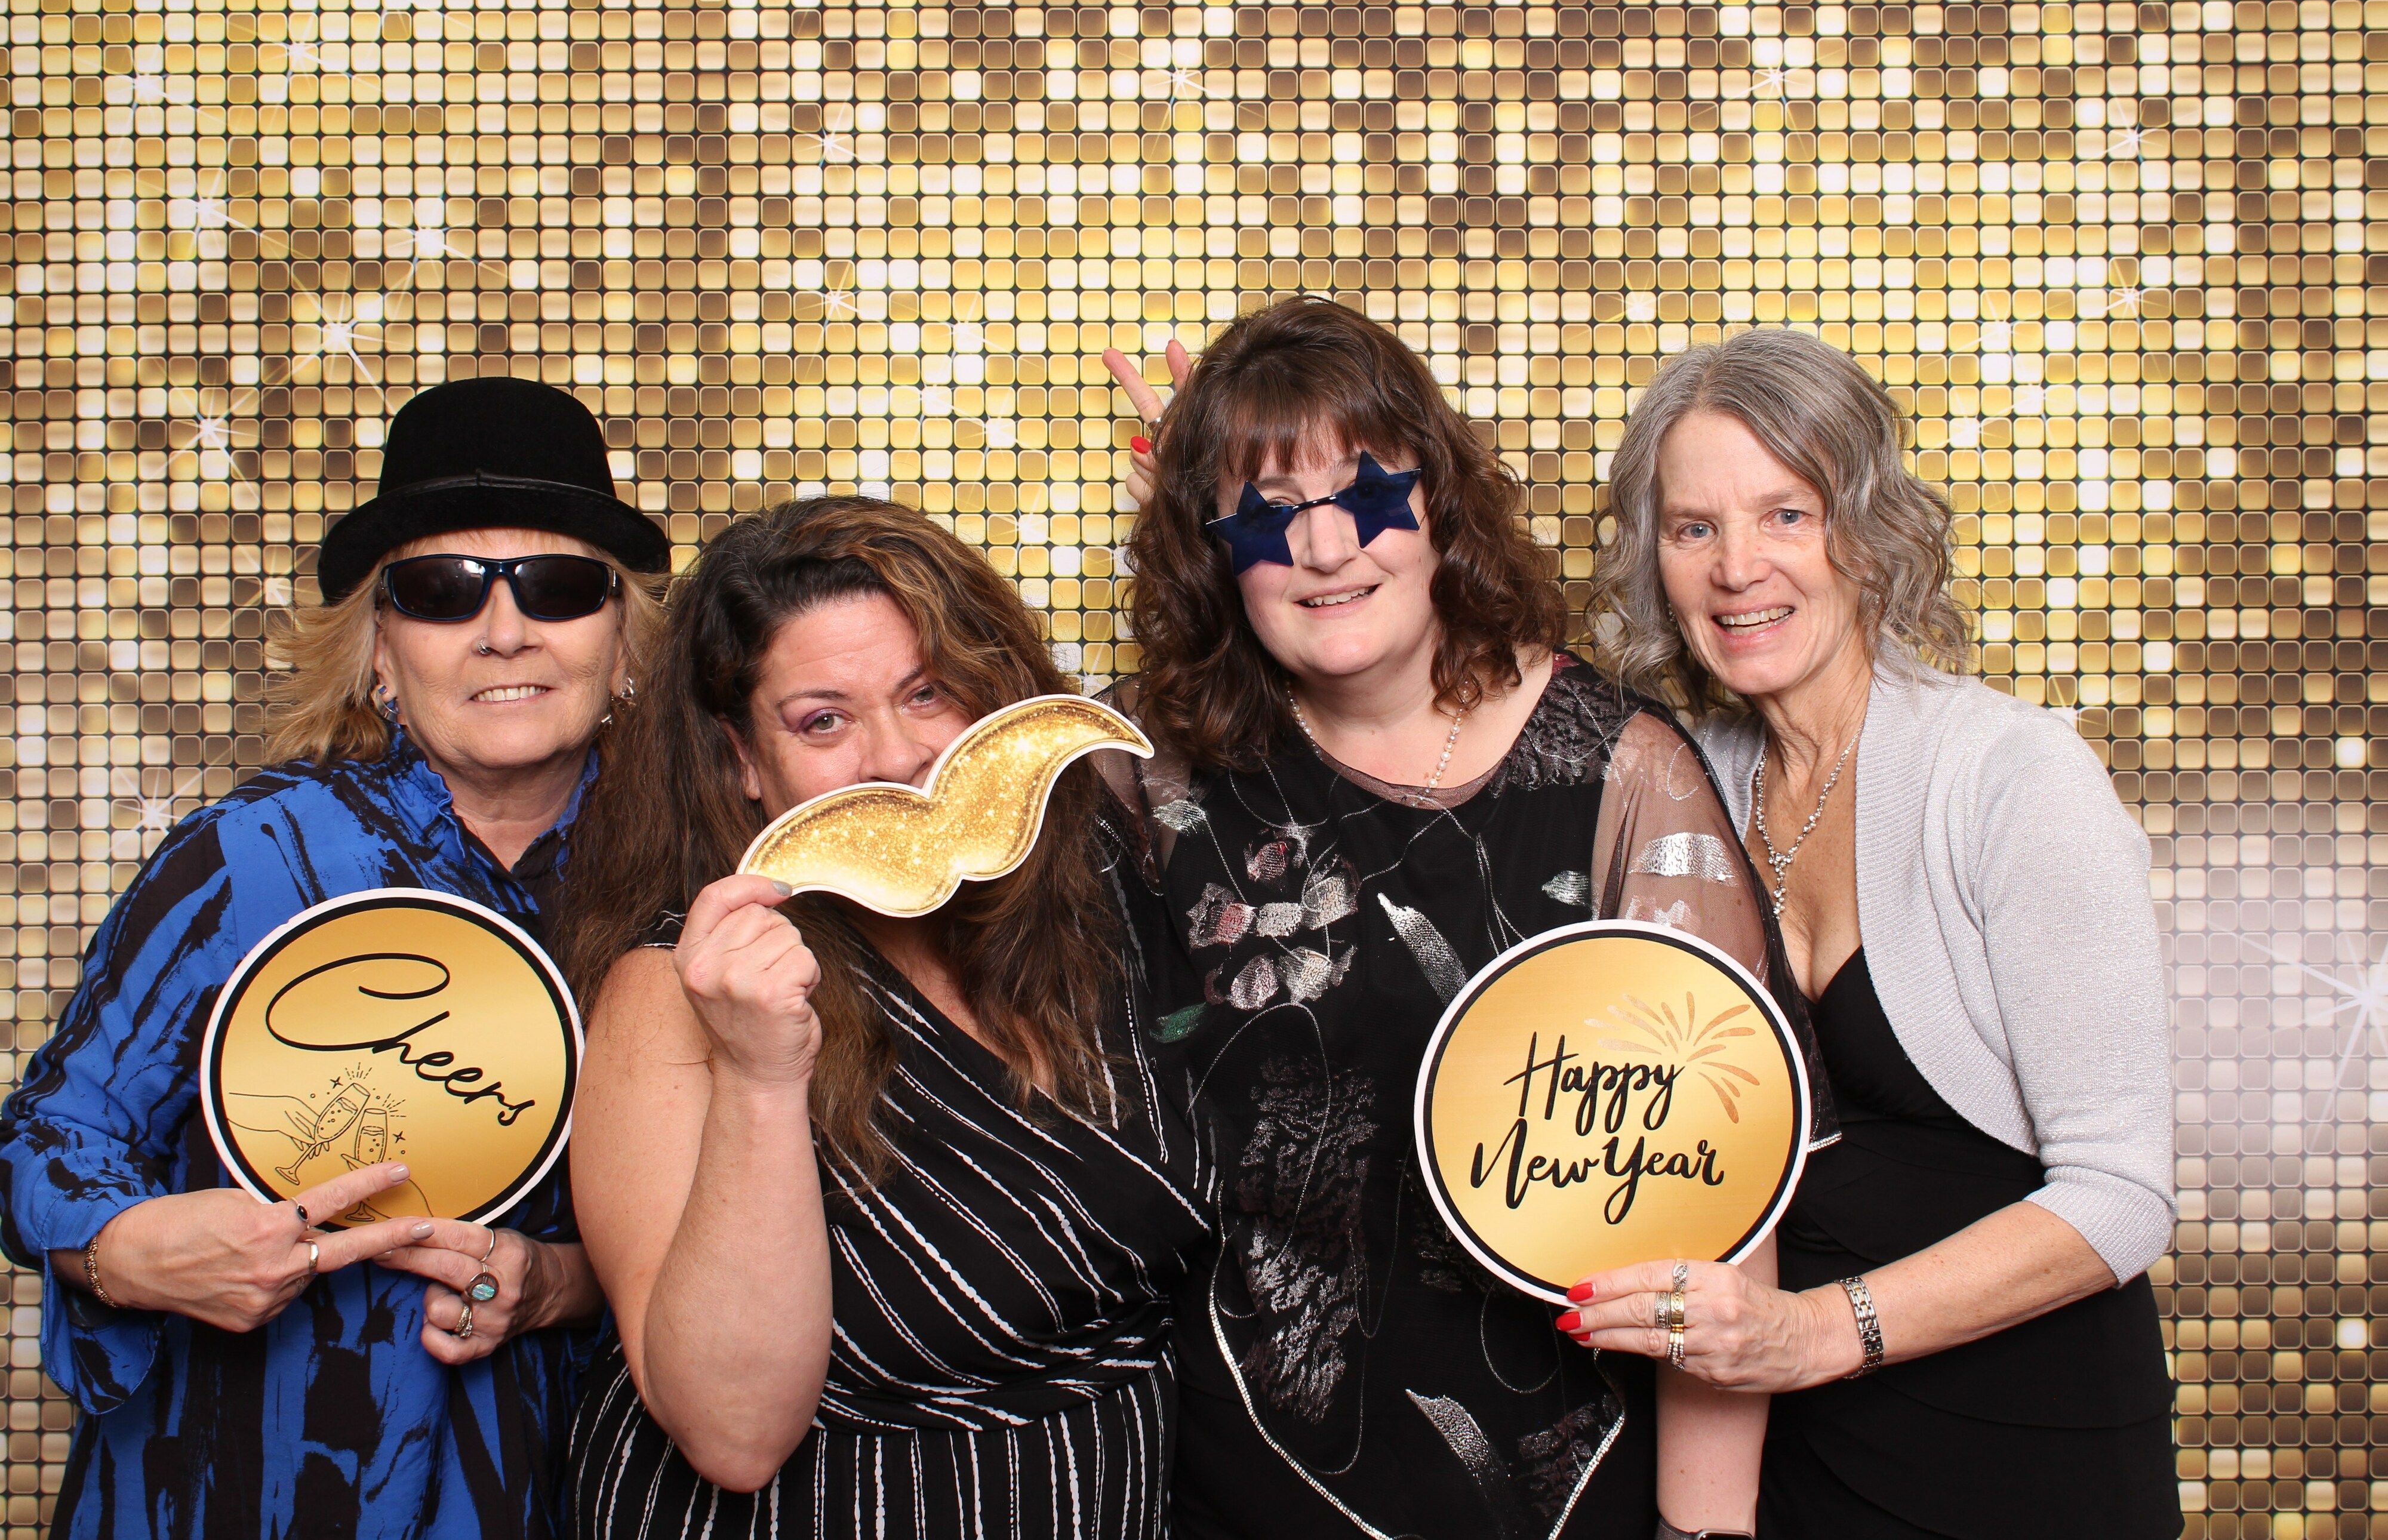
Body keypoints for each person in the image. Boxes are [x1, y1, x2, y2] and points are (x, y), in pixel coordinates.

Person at [1101, 297, 1824, 1539]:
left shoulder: (1619, 772)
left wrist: (1704, 1532)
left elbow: (1721, 1207)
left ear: (1440, 500)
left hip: (1560, 1489)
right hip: (1234, 1490)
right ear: (1215, 550)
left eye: (1367, 492)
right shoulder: (1141, 775)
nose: (1325, 546)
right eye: (1269, 515)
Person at [0, 377, 669, 1539]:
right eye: (442, 590)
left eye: (557, 587)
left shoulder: (682, 886)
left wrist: (556, 1284)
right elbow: (48, 1130)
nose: (504, 630)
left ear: (623, 644)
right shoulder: (252, 854)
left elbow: (747, 1224)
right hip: (225, 1479)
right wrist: (127, 1250)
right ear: (378, 652)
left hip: (534, 1484)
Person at [1565, 328, 2177, 1536]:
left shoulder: (2010, 777)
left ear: (1866, 528)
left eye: (1785, 515)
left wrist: (1813, 1332)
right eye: (1693, 528)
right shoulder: (1674, 782)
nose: (1738, 567)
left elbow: (2121, 1194)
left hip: (2026, 1458)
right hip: (1777, 1462)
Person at [556, 497, 1209, 1539]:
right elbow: (731, 1432)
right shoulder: (678, 988)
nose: (901, 757)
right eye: (824, 721)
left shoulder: (1095, 902)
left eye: (928, 692)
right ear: (741, 760)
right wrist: (761, 1076)